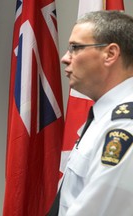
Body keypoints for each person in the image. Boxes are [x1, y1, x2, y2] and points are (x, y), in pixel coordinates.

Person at [49, 11, 133, 216]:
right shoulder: (104, 117)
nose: (64, 58)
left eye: (75, 48)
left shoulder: (124, 125)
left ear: (110, 54)